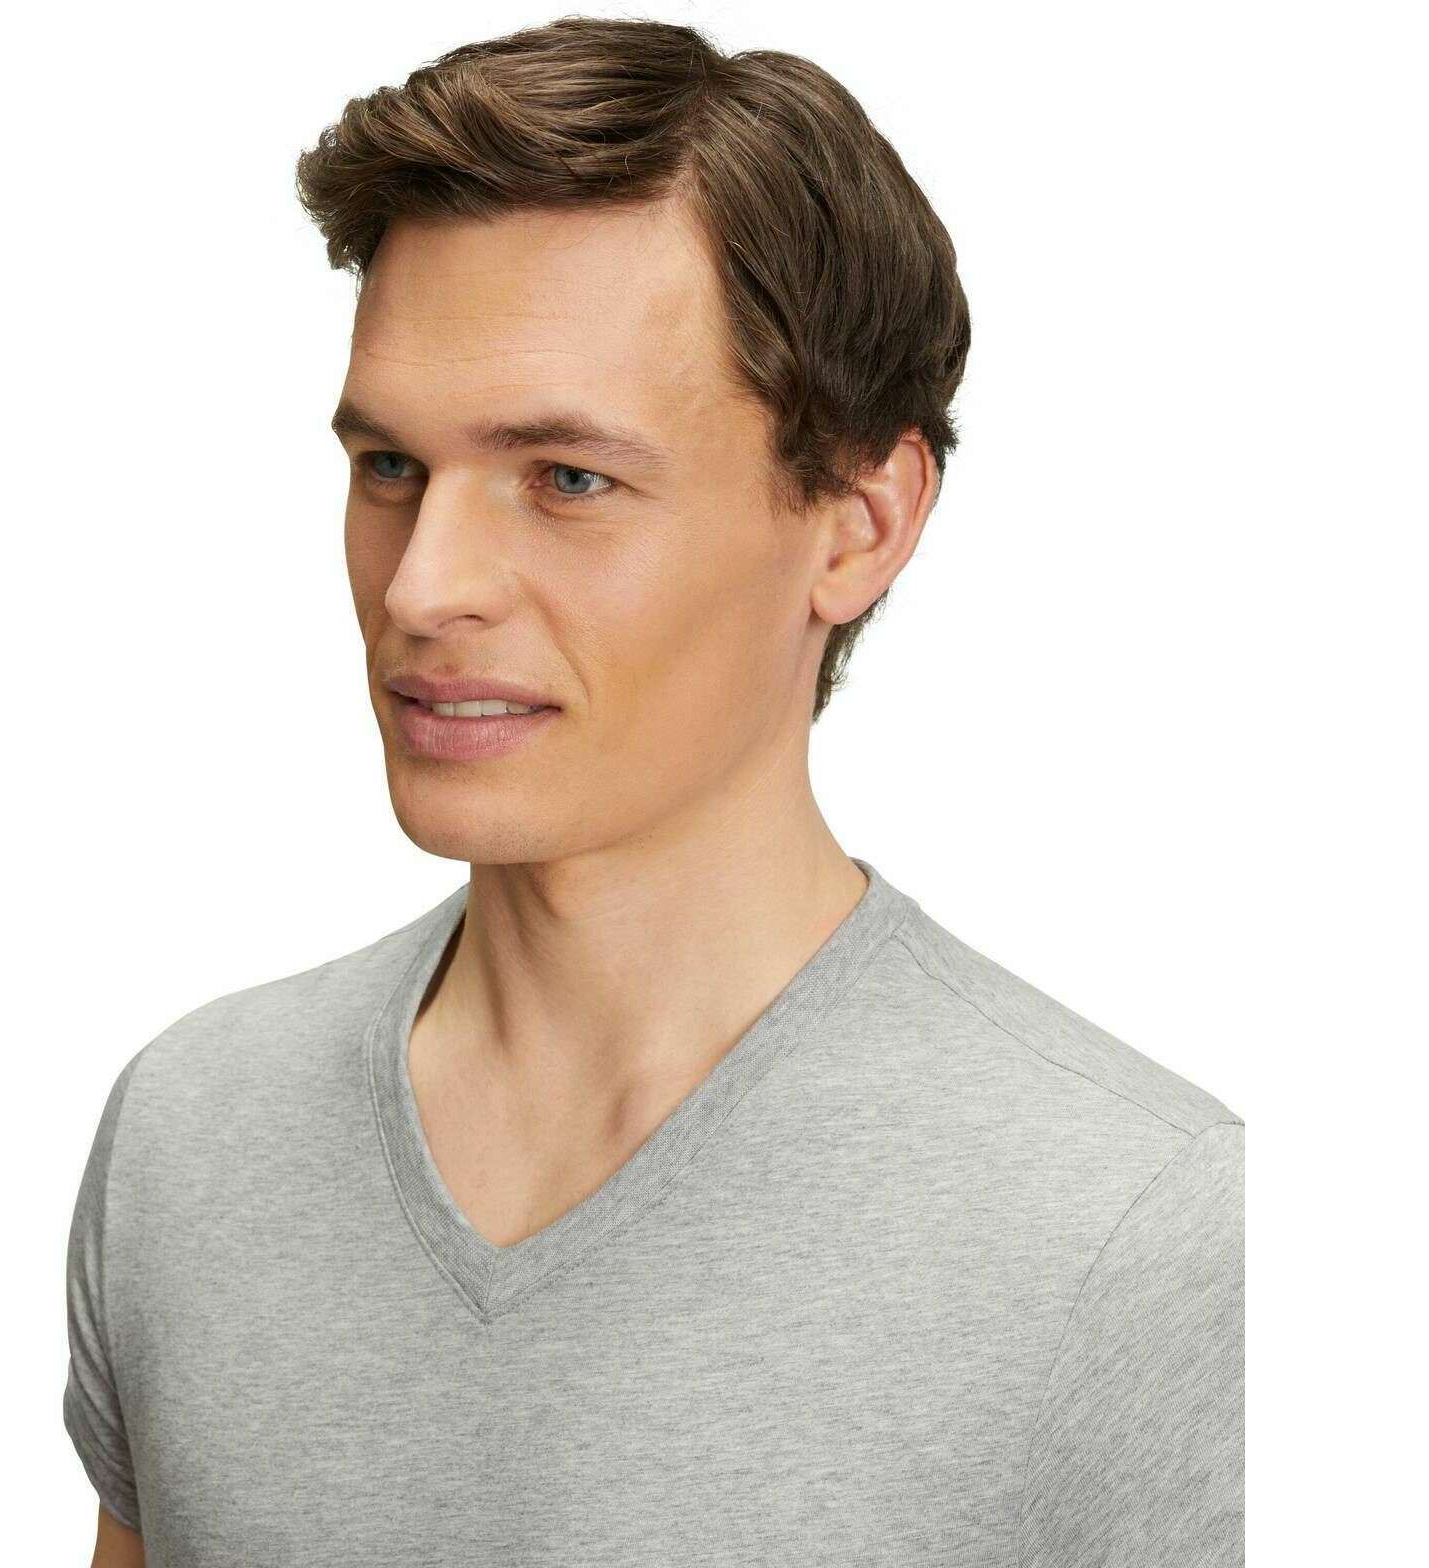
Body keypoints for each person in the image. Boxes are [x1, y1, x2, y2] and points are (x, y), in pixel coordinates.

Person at [63, 16, 1244, 1566]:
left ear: (859, 524)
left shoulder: (1135, 1235)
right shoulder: (195, 1136)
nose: (421, 587)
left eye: (568, 479)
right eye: (391, 467)